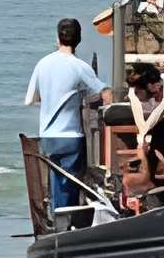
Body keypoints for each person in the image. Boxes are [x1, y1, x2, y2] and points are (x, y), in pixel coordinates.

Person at [24, 17, 105, 222]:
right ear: (79, 39)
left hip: (47, 136)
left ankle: (56, 216)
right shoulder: (79, 66)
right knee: (70, 183)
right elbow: (104, 92)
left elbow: (32, 99)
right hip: (70, 136)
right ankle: (66, 221)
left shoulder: (42, 64)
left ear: (58, 38)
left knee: (56, 180)